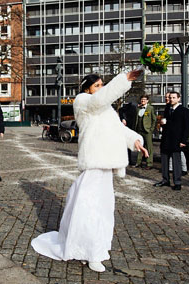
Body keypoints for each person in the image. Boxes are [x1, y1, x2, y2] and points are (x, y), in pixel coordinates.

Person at [31, 71, 148, 273]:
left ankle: (96, 248)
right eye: (97, 86)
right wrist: (124, 80)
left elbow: (118, 129)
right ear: (87, 89)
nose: (101, 88)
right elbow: (99, 100)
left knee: (103, 211)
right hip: (94, 162)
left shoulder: (106, 109)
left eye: (103, 85)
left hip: (106, 164)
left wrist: (135, 140)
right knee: (87, 209)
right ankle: (89, 251)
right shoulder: (83, 101)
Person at [156, 91, 189, 191]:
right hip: (166, 139)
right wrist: (162, 123)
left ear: (178, 99)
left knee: (176, 162)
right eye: (170, 98)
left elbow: (187, 127)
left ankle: (177, 182)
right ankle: (165, 179)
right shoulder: (167, 109)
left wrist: (183, 140)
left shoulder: (184, 110)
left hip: (176, 140)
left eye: (174, 97)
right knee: (164, 161)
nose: (171, 99)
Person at [133, 95, 157, 169]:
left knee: (149, 147)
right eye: (142, 99)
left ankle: (149, 164)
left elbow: (154, 119)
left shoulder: (150, 108)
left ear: (147, 101)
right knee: (139, 147)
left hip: (147, 131)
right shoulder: (138, 108)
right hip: (139, 130)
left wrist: (151, 129)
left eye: (144, 99)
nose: (143, 101)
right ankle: (138, 162)